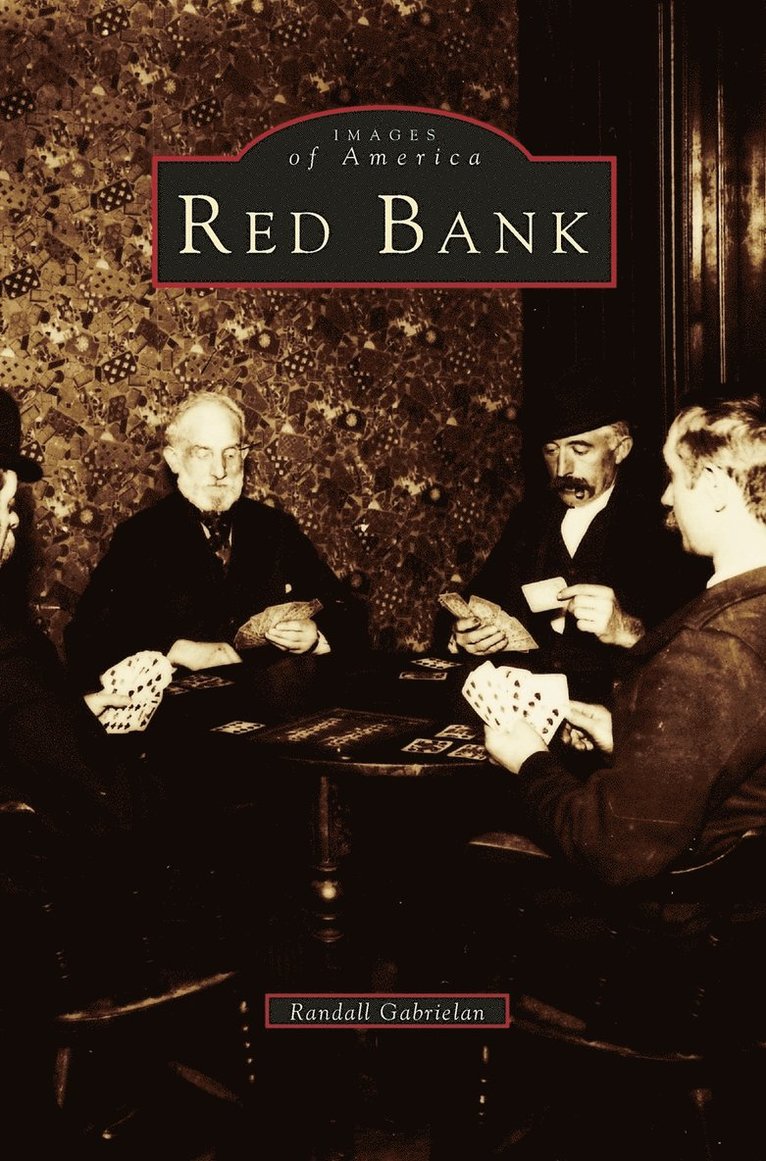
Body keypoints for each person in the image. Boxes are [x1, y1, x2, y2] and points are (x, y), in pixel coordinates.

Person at [485, 392, 766, 886]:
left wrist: (529, 761)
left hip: (686, 906)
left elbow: (611, 849)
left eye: (674, 477)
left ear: (715, 486)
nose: (666, 498)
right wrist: (627, 735)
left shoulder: (714, 647)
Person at [64, 391, 365, 691]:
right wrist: (173, 649)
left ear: (243, 457)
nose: (220, 470)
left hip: (269, 703)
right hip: (184, 710)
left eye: (230, 453)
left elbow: (347, 611)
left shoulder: (275, 527)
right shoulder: (140, 537)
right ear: (174, 460)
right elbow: (84, 640)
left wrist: (315, 637)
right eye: (203, 452)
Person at [440, 365, 706, 700]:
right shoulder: (531, 517)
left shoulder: (666, 526)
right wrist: (463, 636)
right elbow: (476, 599)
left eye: (580, 450)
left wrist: (629, 628)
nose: (563, 469)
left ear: (621, 449)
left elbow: (696, 653)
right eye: (552, 451)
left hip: (618, 710)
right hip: (525, 707)